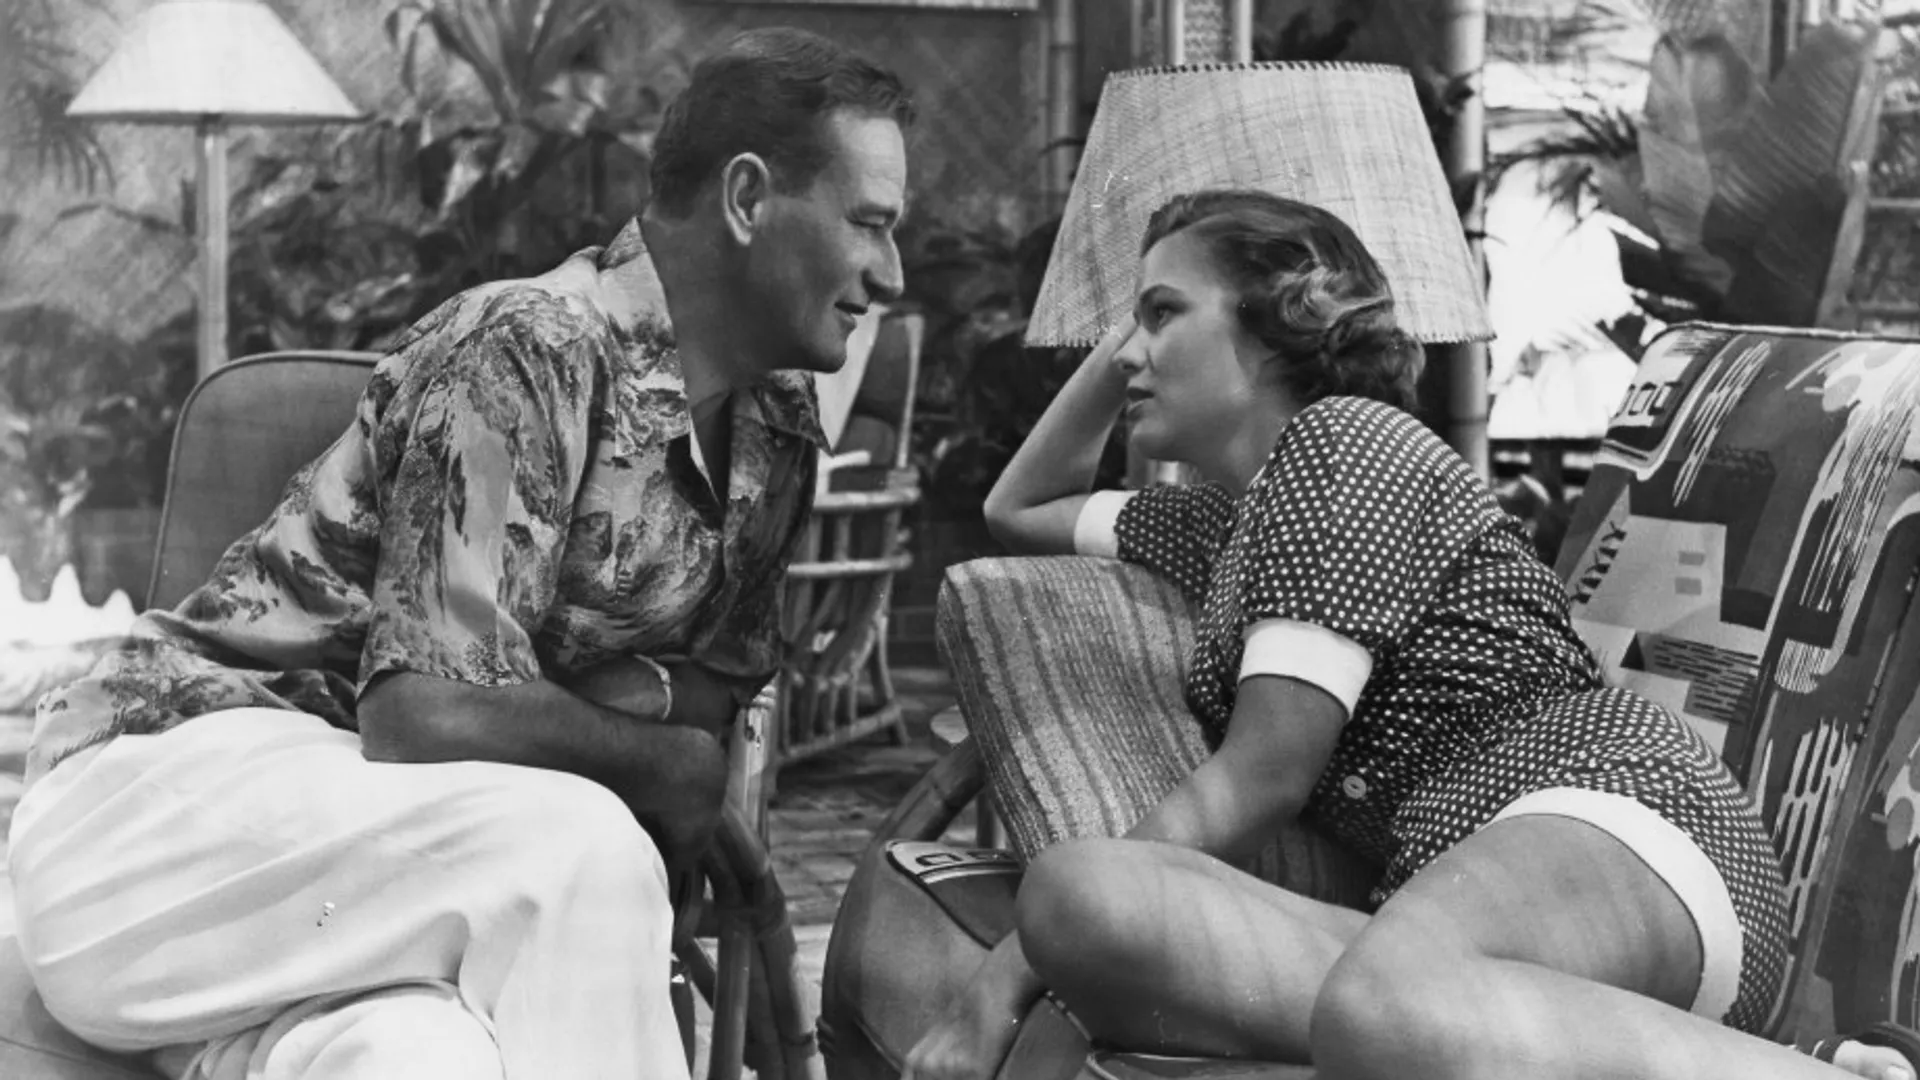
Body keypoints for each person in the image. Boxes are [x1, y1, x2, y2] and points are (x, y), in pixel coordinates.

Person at [12, 26, 910, 1080]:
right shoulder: (530, 345)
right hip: (161, 814)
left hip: (367, 897)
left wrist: (627, 713)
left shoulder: (777, 428)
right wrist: (658, 749)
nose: (891, 273)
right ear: (748, 198)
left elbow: (717, 697)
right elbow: (425, 714)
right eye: (869, 224)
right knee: (586, 848)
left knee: (416, 1058)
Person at [902, 189, 1913, 1080]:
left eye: (1165, 313)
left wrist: (997, 990)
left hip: (1614, 821)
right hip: (1451, 926)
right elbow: (1019, 506)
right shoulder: (1217, 528)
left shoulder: (1345, 444)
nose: (1131, 350)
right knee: (1082, 895)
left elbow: (1261, 778)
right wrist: (1134, 324)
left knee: (1384, 1002)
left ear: (1281, 323)